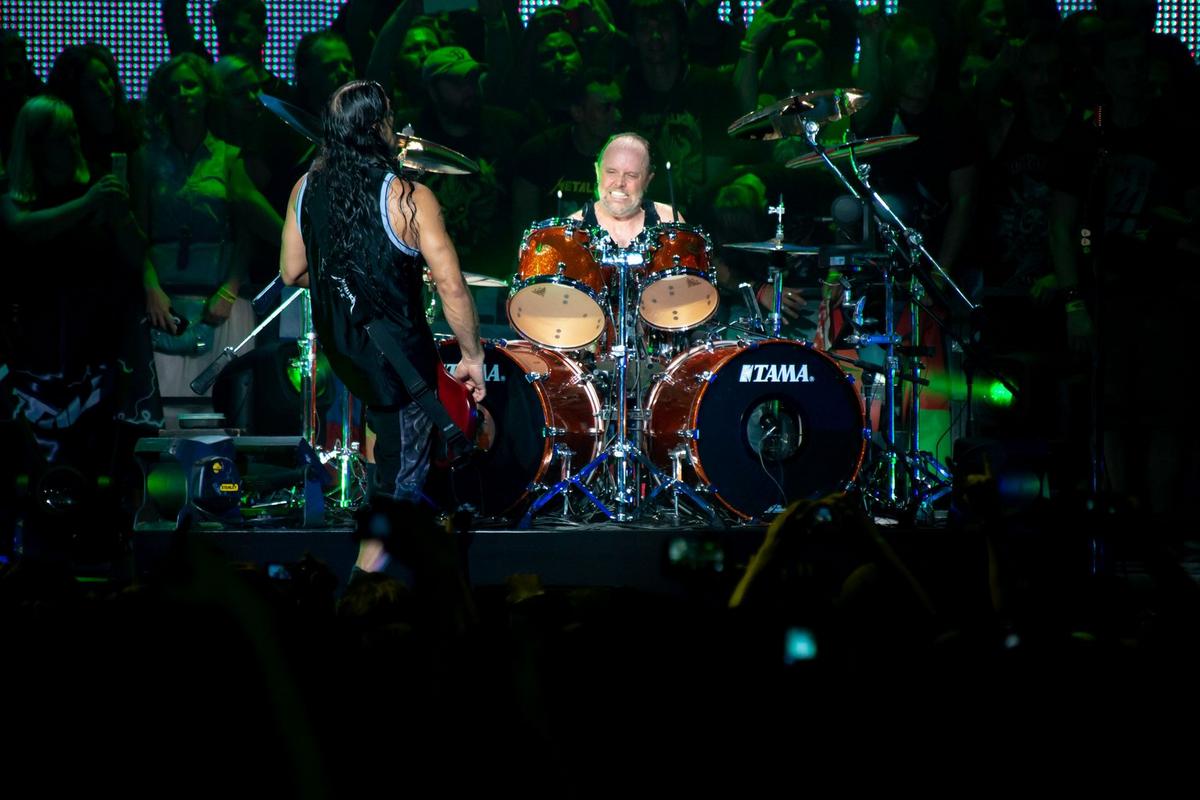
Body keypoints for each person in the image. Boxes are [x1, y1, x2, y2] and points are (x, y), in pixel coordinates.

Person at [280, 80, 486, 575]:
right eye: (391, 118)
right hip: (400, 366)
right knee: (398, 497)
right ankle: (360, 597)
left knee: (387, 457)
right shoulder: (409, 197)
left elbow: (292, 271)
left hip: (349, 354)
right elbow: (451, 285)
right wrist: (473, 356)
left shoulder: (305, 188)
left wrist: (345, 284)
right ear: (378, 128)